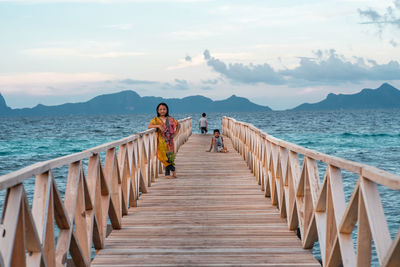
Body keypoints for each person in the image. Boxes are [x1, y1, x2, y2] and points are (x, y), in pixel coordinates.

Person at [148, 103, 180, 178]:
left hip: (170, 141)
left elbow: (178, 125)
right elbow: (149, 126)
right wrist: (158, 125)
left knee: (169, 157)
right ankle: (173, 169)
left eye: (164, 109)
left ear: (167, 110)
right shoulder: (155, 119)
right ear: (158, 111)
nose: (162, 111)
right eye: (160, 109)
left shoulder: (171, 119)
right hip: (161, 141)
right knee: (161, 157)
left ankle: (167, 174)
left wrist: (176, 133)